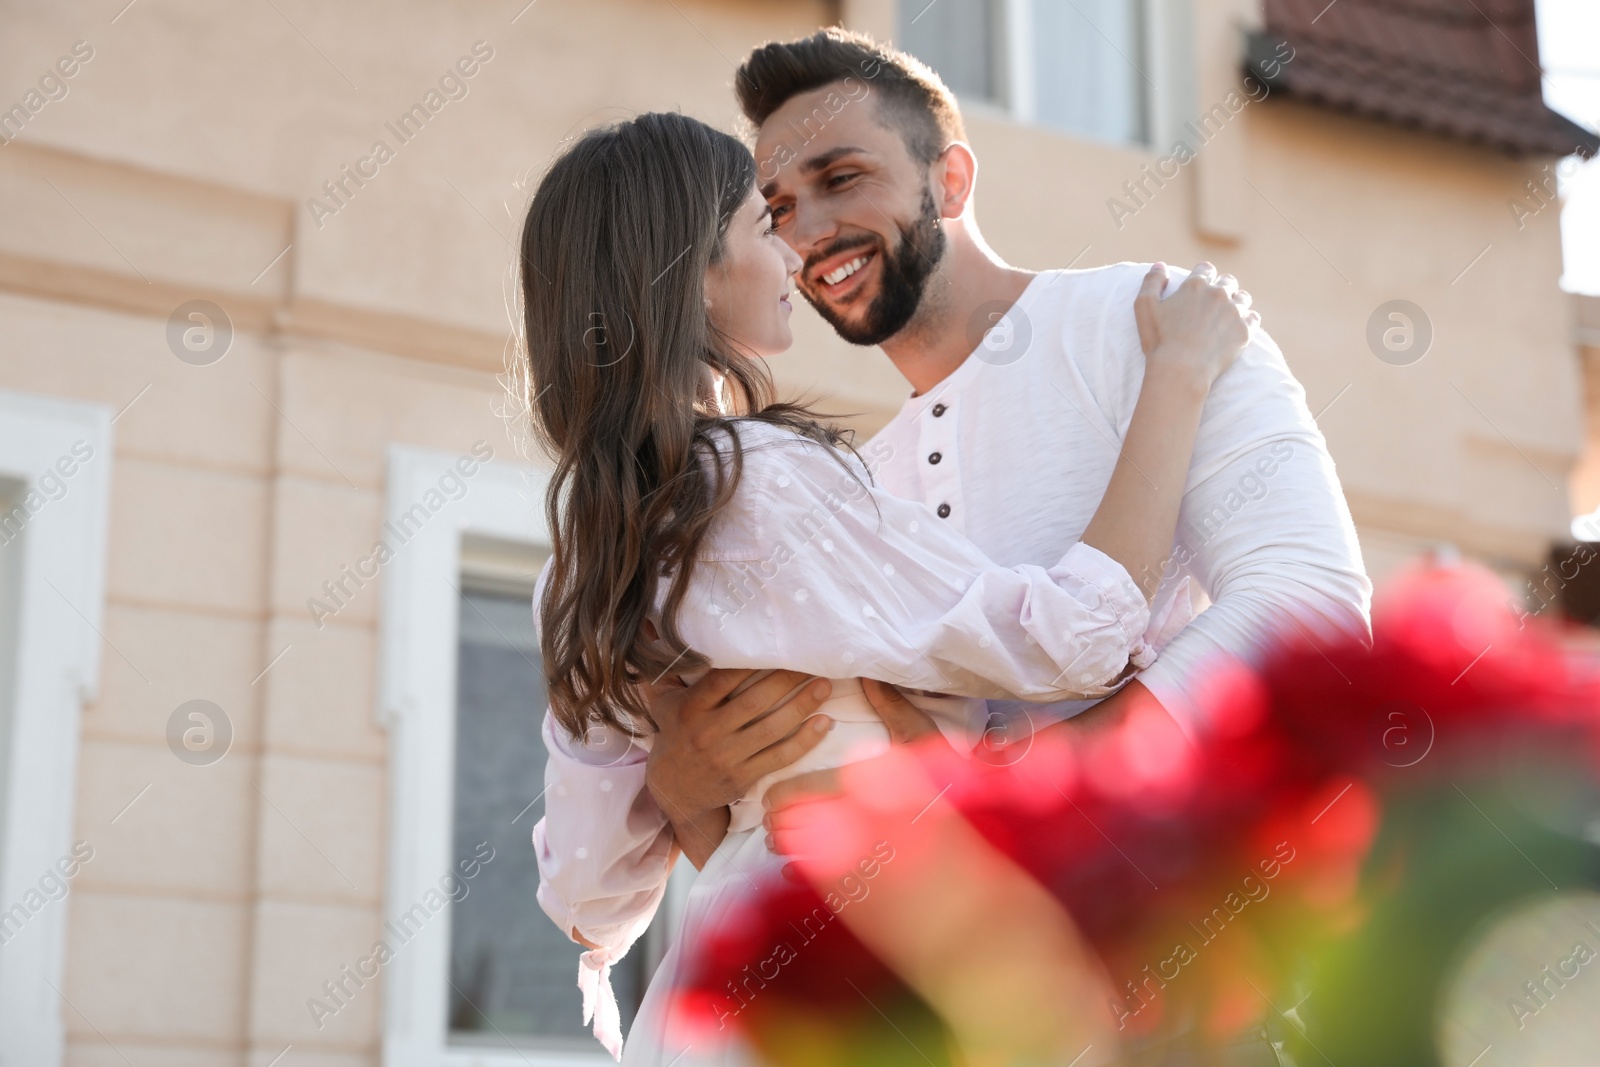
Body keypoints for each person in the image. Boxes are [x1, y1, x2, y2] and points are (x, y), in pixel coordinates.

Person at [539, 28, 1372, 1066]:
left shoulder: (1152, 323)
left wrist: (1011, 780)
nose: (807, 234)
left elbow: (1310, 606)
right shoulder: (836, 482)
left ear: (951, 175)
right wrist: (677, 780)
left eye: (843, 178)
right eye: (778, 209)